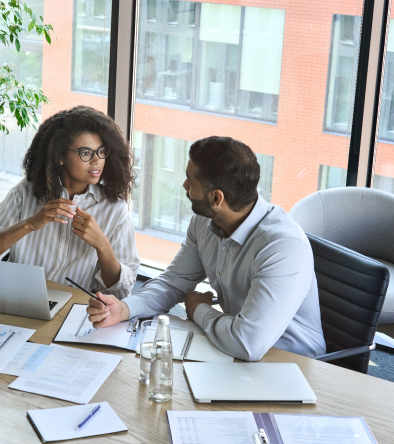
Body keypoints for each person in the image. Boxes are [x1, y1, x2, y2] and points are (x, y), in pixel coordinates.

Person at [86, 136, 326, 361]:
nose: (184, 185)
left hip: (292, 364)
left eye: (191, 181)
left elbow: (247, 343)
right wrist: (124, 309)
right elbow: (173, 283)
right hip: (231, 352)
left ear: (216, 198)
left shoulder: (282, 247)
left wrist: (197, 308)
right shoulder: (205, 221)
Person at [0, 106, 139, 299]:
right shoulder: (26, 191)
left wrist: (103, 245)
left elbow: (121, 291)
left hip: (74, 310)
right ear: (59, 156)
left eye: (101, 151)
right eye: (85, 152)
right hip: (18, 300)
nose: (97, 161)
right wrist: (29, 224)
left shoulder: (114, 208)